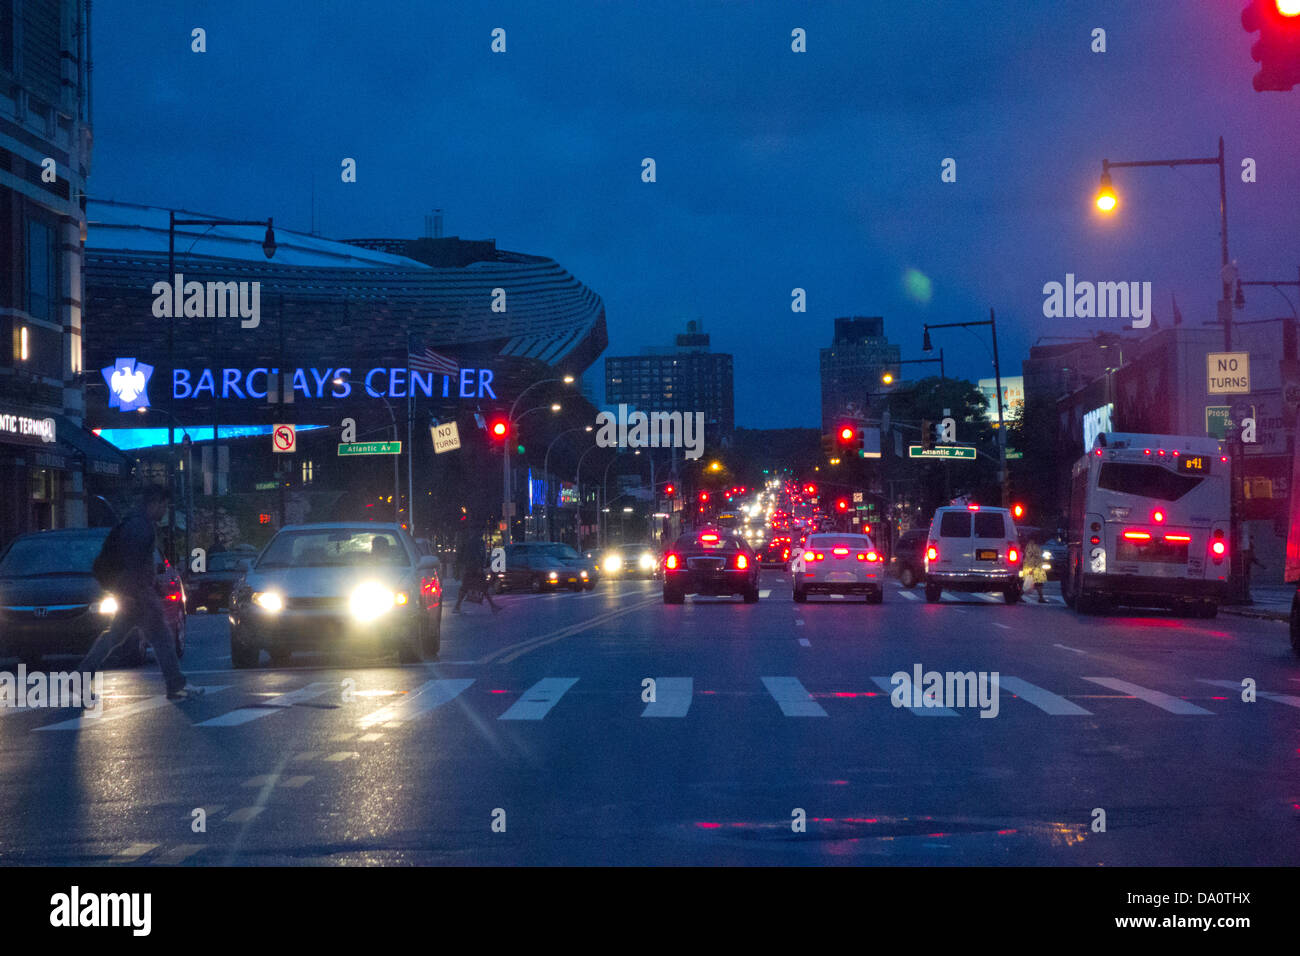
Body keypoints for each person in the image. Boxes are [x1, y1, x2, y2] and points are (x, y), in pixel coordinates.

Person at [80, 486, 204, 700]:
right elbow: (133, 565)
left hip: (132, 593)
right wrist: (134, 594)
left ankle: (79, 678)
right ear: (154, 503)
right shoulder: (140, 527)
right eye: (164, 505)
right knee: (162, 637)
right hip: (139, 595)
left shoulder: (135, 523)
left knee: (114, 637)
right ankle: (175, 684)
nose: (165, 510)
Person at [453, 526, 500, 613]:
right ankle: (493, 606)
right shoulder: (478, 542)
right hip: (475, 568)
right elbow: (477, 555)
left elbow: (469, 555)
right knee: (482, 586)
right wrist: (479, 566)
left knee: (467, 587)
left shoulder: (470, 542)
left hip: (471, 568)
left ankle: (457, 606)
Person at [1021, 537, 1048, 603]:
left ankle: (1041, 597)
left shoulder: (1033, 546)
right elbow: (1031, 556)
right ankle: (1041, 598)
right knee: (1031, 583)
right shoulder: (1032, 546)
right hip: (1033, 567)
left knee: (1030, 583)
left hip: (1035, 566)